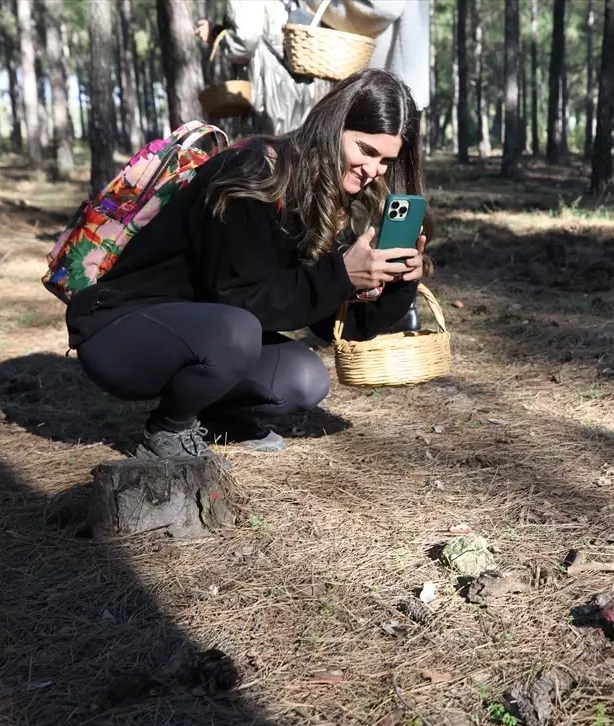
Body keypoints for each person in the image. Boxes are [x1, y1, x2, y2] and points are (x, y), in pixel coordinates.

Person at [65, 70, 430, 465]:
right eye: (366, 150)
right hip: (121, 330)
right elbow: (238, 300)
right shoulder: (253, 173)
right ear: (333, 126)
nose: (374, 169)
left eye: (386, 160)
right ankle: (169, 427)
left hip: (208, 332)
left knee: (305, 379)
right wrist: (340, 275)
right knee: (238, 331)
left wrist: (396, 283)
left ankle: (215, 413)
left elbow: (332, 325)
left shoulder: (326, 195)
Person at [198, 0, 430, 135]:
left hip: (270, 86)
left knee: (267, 163)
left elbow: (245, 40)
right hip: (300, 79)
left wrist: (218, 35)